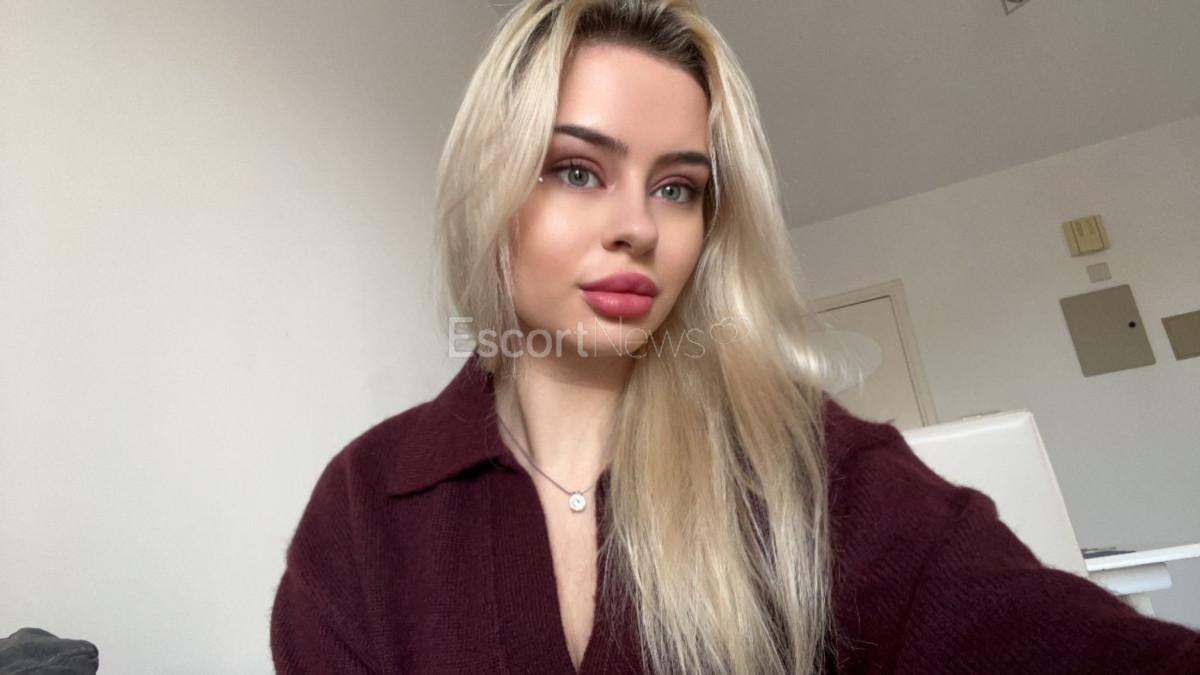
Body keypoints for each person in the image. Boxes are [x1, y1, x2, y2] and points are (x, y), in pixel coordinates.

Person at [270, 1, 1200, 673]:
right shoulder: (365, 503)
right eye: (578, 170)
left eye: (678, 187)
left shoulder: (807, 463)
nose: (639, 227)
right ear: (491, 186)